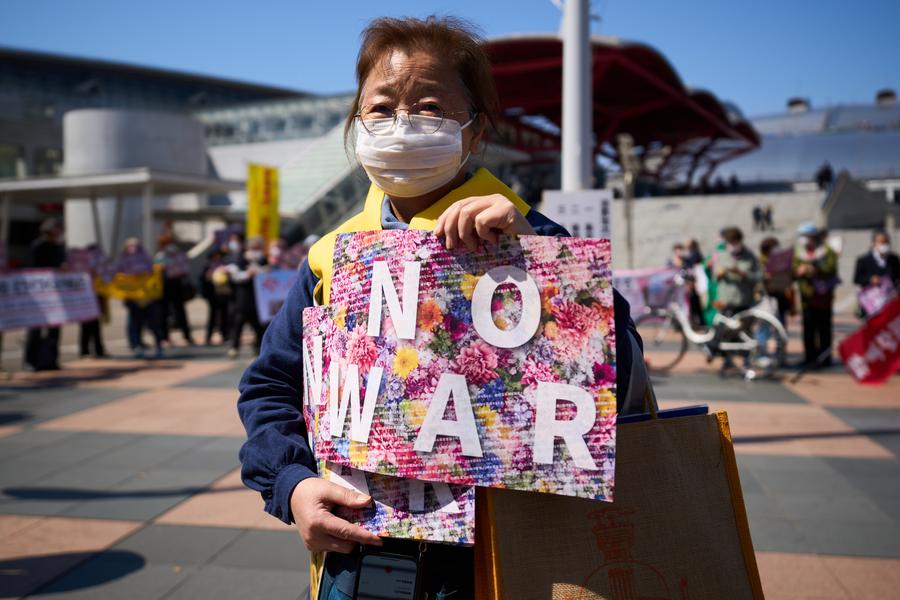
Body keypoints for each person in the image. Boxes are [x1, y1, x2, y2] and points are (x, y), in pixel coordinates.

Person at [236, 16, 649, 600]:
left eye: (429, 106)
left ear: (476, 132)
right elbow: (271, 387)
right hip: (360, 561)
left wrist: (534, 261)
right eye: (380, 108)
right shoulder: (332, 257)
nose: (402, 124)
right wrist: (292, 483)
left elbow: (620, 381)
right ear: (357, 124)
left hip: (507, 562)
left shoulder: (535, 237)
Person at [710, 227, 761, 374]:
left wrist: (740, 272)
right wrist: (720, 274)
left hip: (743, 301)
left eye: (734, 242)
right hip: (726, 300)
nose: (731, 245)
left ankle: (746, 361)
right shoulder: (723, 255)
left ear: (739, 241)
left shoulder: (749, 256)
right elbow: (715, 277)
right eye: (729, 242)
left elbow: (757, 277)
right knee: (726, 333)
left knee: (743, 333)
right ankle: (727, 361)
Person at [793, 223, 839, 367]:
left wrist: (816, 268)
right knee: (808, 328)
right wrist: (799, 270)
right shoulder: (799, 252)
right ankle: (809, 357)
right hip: (807, 297)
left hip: (823, 296)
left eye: (806, 236)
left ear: (814, 236)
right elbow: (793, 269)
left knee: (824, 328)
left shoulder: (827, 251)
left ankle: (825, 358)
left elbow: (831, 268)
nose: (804, 239)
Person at [24, 219, 66, 370]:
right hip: (39, 295)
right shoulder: (37, 246)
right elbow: (32, 268)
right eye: (57, 230)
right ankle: (30, 361)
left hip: (55, 295)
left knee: (55, 328)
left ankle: (51, 359)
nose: (59, 233)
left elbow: (62, 265)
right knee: (35, 329)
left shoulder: (58, 247)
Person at [117, 238, 164, 359]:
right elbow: (118, 275)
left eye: (135, 246)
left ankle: (159, 345)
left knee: (154, 323)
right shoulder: (123, 259)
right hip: (133, 298)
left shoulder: (145, 258)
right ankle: (137, 345)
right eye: (130, 246)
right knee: (135, 324)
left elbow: (153, 272)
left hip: (148, 297)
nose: (133, 249)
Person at [225, 233, 266, 358]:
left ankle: (259, 346)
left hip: (259, 297)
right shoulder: (239, 259)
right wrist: (248, 274)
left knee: (259, 324)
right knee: (239, 321)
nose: (255, 251)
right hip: (243, 296)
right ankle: (234, 347)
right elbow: (235, 276)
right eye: (253, 248)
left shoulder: (263, 259)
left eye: (258, 248)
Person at [155, 234, 196, 346]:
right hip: (164, 285)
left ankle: (187, 335)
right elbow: (157, 268)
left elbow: (185, 267)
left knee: (180, 311)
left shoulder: (179, 255)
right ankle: (164, 337)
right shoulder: (160, 256)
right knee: (164, 312)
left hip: (177, 284)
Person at [853, 229, 900, 317]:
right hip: (871, 303)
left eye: (886, 242)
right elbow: (857, 279)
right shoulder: (863, 260)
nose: (884, 245)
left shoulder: (894, 259)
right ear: (874, 243)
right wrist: (870, 279)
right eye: (881, 242)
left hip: (889, 301)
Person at [78, 244, 108, 358]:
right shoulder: (83, 264)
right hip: (86, 297)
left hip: (95, 296)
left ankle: (95, 349)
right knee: (87, 324)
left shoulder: (98, 265)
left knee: (94, 324)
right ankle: (86, 349)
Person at [200, 246, 231, 345]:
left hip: (223, 293)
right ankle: (209, 336)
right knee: (212, 316)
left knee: (224, 315)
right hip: (212, 294)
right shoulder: (208, 266)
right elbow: (202, 280)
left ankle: (225, 335)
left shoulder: (224, 265)